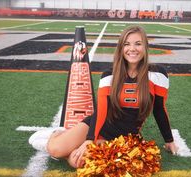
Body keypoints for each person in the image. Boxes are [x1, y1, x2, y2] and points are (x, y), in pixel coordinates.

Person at [29, 25, 178, 169]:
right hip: (99, 125)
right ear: (121, 48)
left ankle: (71, 147)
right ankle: (56, 134)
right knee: (56, 150)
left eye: (138, 44)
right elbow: (101, 110)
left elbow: (159, 110)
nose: (132, 49)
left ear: (145, 47)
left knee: (80, 162)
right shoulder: (109, 74)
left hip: (126, 137)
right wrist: (90, 139)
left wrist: (169, 140)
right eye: (127, 44)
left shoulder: (158, 74)